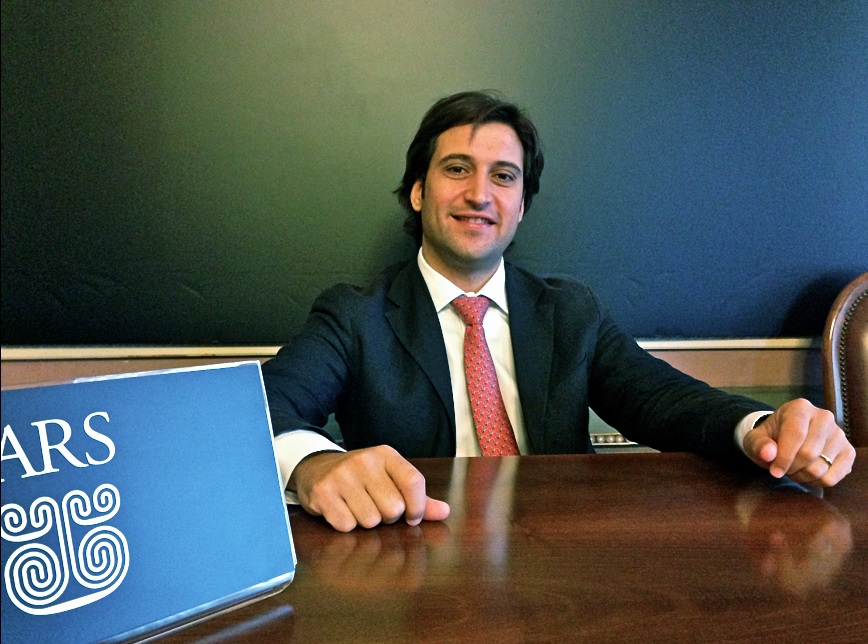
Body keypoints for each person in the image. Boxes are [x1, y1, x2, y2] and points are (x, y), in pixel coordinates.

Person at [262, 91, 856, 532]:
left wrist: (760, 429)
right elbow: (262, 410)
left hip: (557, 555)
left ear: (521, 206)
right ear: (418, 192)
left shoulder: (569, 311)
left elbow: (664, 399)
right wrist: (314, 465)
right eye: (457, 169)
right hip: (410, 560)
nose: (479, 194)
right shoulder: (355, 315)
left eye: (503, 176)